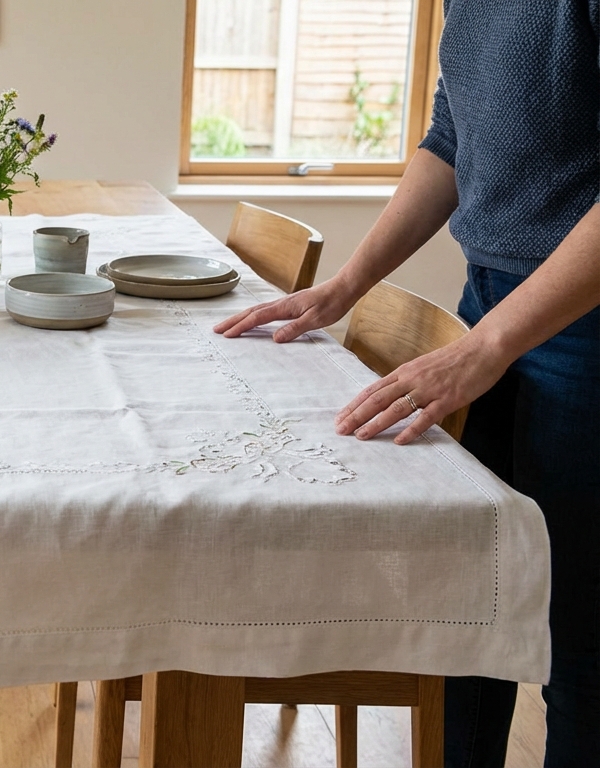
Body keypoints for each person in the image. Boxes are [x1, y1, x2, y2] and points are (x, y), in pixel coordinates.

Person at [211, 2, 600, 765]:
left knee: (579, 631)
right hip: (491, 297)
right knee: (467, 607)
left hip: (581, 324)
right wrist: (345, 286)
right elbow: (450, 142)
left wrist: (489, 345)